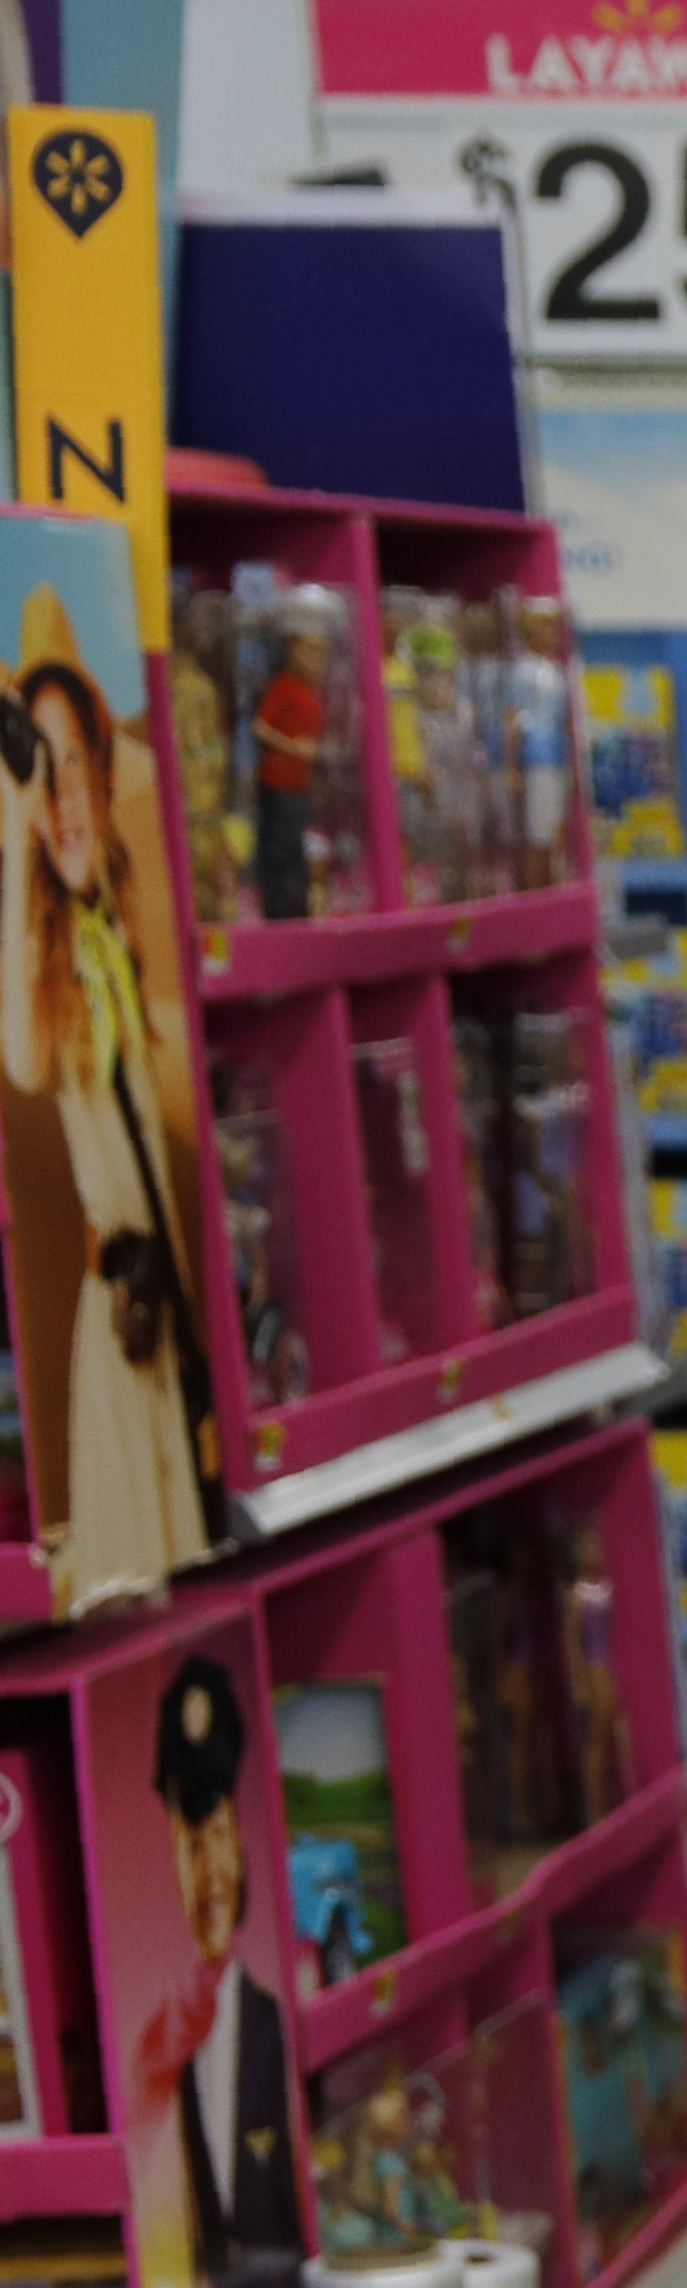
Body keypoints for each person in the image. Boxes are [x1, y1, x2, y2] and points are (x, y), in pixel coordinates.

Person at [1, 590, 213, 1610]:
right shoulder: (43, 965)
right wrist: (14, 837)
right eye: (43, 771)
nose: (66, 797)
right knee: (140, 1598)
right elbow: (25, 1062)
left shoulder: (119, 944)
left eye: (75, 760)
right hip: (120, 1330)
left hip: (177, 1316)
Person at [133, 1653, 298, 2288]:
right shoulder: (155, 2050)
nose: (210, 1872)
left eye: (222, 1835)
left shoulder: (275, 2024)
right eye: (189, 1842)